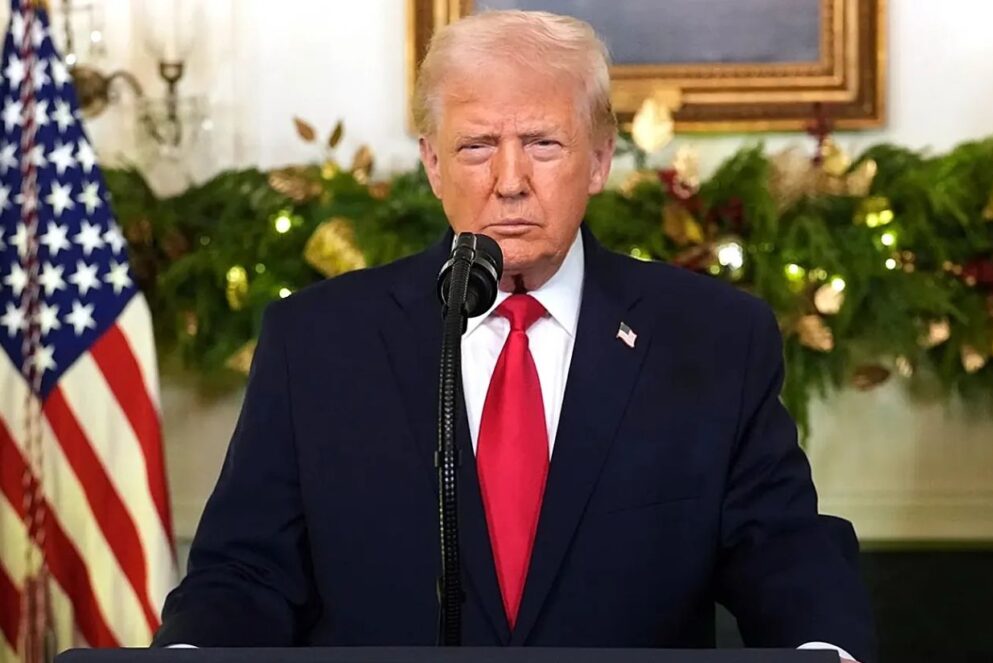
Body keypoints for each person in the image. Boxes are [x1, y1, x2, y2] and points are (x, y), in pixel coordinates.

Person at [154, 10, 875, 662]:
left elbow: (780, 544)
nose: (509, 180)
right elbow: (246, 570)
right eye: (474, 147)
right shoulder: (317, 341)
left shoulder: (712, 336)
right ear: (432, 164)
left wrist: (822, 647)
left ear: (598, 160)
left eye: (542, 143)